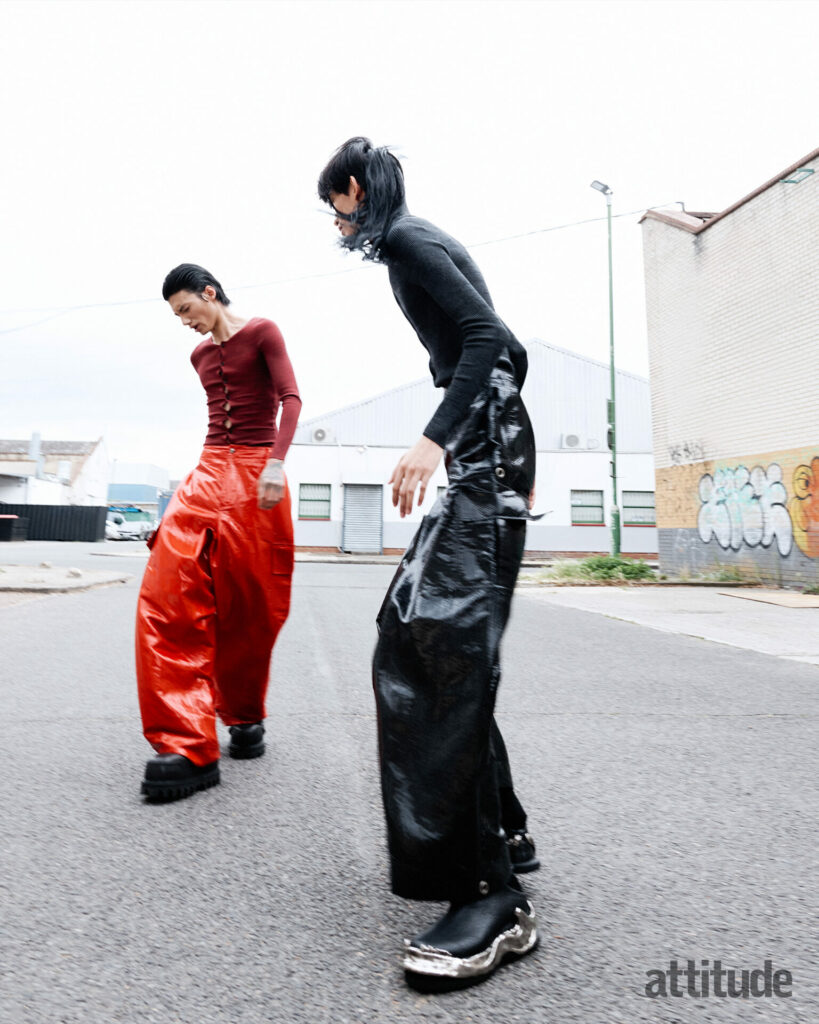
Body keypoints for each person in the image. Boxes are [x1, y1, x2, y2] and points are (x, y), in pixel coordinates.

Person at [318, 138, 540, 990]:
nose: (336, 224)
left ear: (349, 189)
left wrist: (435, 440)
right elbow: (492, 355)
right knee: (431, 640)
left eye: (333, 206)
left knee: (427, 650)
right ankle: (505, 829)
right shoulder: (425, 238)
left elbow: (493, 341)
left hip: (482, 452)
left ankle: (493, 897)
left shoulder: (408, 240)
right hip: (487, 454)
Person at [136, 264, 301, 801]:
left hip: (258, 472)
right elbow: (214, 429)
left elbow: (290, 400)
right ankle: (186, 743)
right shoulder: (200, 356)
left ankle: (245, 717)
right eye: (176, 316)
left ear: (209, 293)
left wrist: (276, 463)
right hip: (209, 471)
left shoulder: (263, 332)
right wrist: (177, 507)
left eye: (186, 309)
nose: (184, 322)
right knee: (167, 594)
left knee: (252, 605)